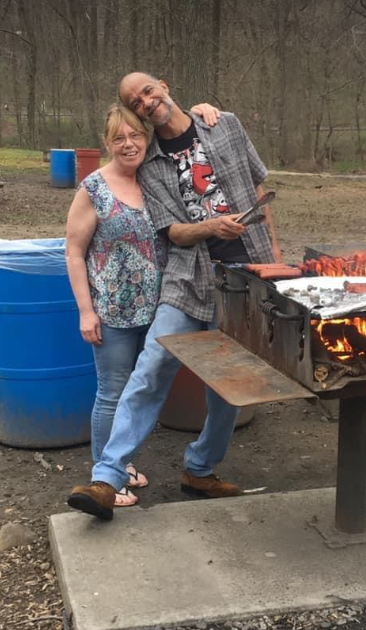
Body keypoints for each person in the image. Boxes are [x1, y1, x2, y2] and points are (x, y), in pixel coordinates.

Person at [67, 72, 279, 520]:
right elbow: (174, 233)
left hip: (246, 276)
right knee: (152, 367)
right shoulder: (151, 164)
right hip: (187, 280)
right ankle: (107, 476)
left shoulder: (226, 125)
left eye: (147, 91)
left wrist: (275, 264)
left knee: (230, 385)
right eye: (134, 101)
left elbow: (261, 193)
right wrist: (210, 227)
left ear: (162, 85)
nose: (145, 102)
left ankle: (200, 469)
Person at [66, 101, 219, 508]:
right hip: (112, 311)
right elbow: (73, 251)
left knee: (143, 386)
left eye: (135, 135)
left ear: (146, 138)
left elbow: (186, 136)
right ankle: (106, 477)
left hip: (160, 307)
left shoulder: (157, 180)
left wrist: (201, 108)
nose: (129, 144)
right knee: (113, 392)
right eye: (119, 138)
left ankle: (124, 465)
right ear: (107, 144)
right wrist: (86, 310)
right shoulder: (93, 189)